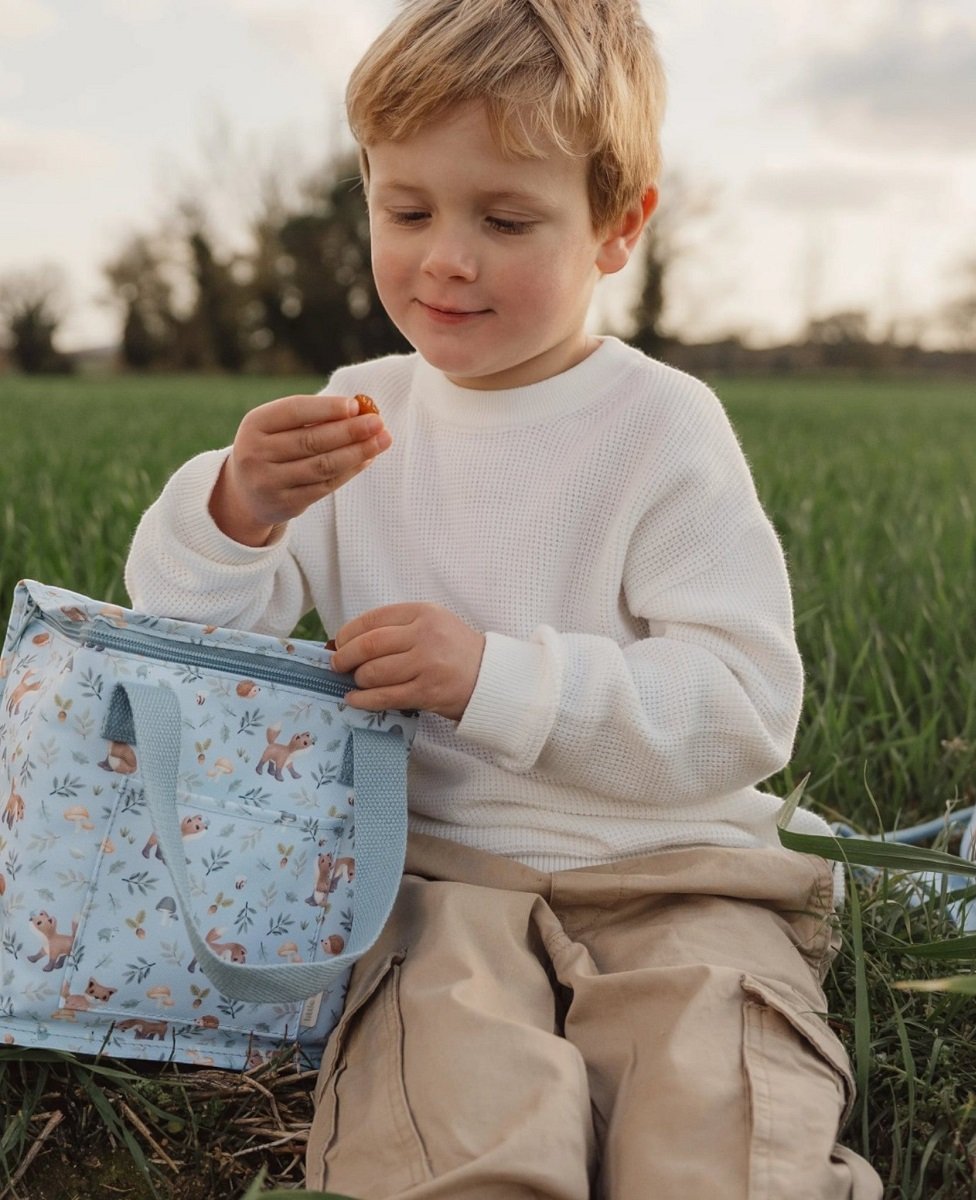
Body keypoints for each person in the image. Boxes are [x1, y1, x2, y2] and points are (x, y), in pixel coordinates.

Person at [126, 1, 882, 1195]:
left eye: (507, 217)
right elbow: (198, 643)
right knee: (445, 1128)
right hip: (435, 882)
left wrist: (496, 677)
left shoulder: (658, 428)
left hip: (676, 873)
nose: (447, 258)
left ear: (617, 227)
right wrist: (236, 508)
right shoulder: (362, 413)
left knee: (719, 1125)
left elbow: (743, 706)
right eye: (407, 209)